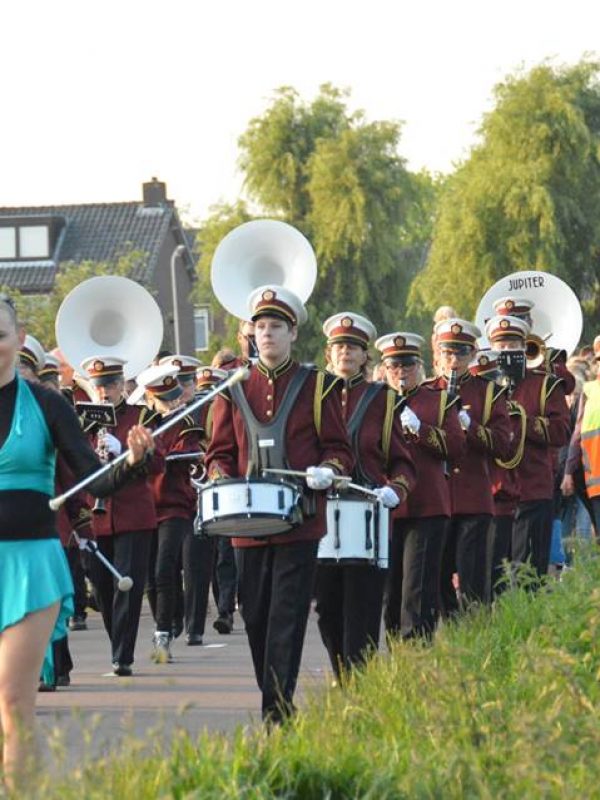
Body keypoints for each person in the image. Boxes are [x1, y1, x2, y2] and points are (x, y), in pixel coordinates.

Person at [0, 297, 153, 791]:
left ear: (19, 339)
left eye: (0, 333)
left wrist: (131, 461)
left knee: (13, 698)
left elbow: (94, 479)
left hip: (30, 566)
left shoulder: (46, 403)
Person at [205, 285, 353, 723]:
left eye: (275, 327)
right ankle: (275, 699)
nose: (266, 334)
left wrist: (328, 468)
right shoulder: (233, 386)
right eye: (260, 327)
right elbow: (218, 452)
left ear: (292, 333)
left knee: (286, 614)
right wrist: (219, 478)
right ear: (251, 333)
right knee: (254, 616)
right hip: (246, 524)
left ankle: (276, 712)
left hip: (300, 521)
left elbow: (339, 449)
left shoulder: (319, 385)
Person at [313, 314, 416, 677]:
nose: (345, 353)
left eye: (353, 347)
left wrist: (395, 490)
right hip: (322, 515)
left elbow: (404, 462)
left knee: (364, 603)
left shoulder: (381, 401)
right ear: (329, 353)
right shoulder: (313, 395)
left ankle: (359, 681)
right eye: (339, 346)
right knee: (326, 606)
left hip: (368, 514)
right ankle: (342, 673)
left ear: (363, 356)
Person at [377, 332, 464, 639]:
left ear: (419, 367)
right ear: (385, 369)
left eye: (407, 366)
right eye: (394, 366)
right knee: (390, 589)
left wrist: (421, 430)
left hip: (427, 505)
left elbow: (456, 447)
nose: (401, 373)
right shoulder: (376, 402)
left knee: (418, 586)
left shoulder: (439, 401)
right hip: (387, 507)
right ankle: (395, 649)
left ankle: (417, 651)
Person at [81, 355, 164, 676]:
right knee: (102, 587)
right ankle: (119, 641)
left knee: (127, 585)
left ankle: (122, 656)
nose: (104, 392)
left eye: (111, 385)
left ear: (121, 385)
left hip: (133, 514)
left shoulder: (142, 416)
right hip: (96, 516)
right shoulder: (83, 422)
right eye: (99, 386)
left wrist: (131, 454)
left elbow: (159, 466)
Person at [429, 318, 512, 614]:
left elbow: (504, 444)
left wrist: (470, 426)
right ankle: (451, 632)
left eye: (461, 354)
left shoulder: (489, 392)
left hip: (474, 498)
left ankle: (475, 635)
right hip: (436, 499)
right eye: (447, 353)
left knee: (473, 580)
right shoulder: (427, 391)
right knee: (437, 576)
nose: (453, 361)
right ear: (437, 354)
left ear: (473, 354)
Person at [490, 300, 571, 579]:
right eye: (500, 346)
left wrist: (522, 420)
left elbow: (561, 431)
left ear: (525, 347)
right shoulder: (484, 386)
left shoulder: (544, 384)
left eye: (513, 345)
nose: (506, 351)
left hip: (533, 488)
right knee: (493, 578)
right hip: (494, 494)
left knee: (528, 577)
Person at [130, 363, 202, 662]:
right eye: (166, 400)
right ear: (150, 400)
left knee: (164, 567)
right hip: (145, 507)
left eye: (175, 397)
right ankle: (170, 618)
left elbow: (185, 453)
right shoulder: (142, 425)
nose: (175, 403)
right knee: (150, 575)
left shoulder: (186, 424)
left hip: (175, 505)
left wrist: (153, 451)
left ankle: (162, 635)